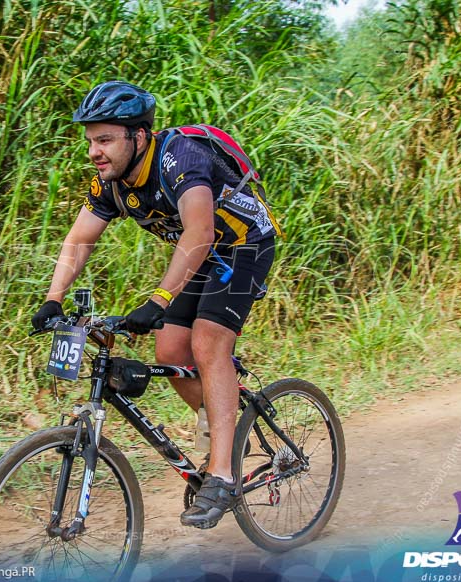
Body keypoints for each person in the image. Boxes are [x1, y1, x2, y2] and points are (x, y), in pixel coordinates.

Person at [31, 81, 280, 529]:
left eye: (105, 140)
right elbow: (79, 240)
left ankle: (222, 474)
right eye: (90, 141)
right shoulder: (111, 181)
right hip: (201, 254)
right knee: (169, 352)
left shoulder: (179, 158)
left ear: (139, 136)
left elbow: (200, 233)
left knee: (208, 344)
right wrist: (53, 299)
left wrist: (158, 299)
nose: (94, 151)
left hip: (242, 247)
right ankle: (225, 425)